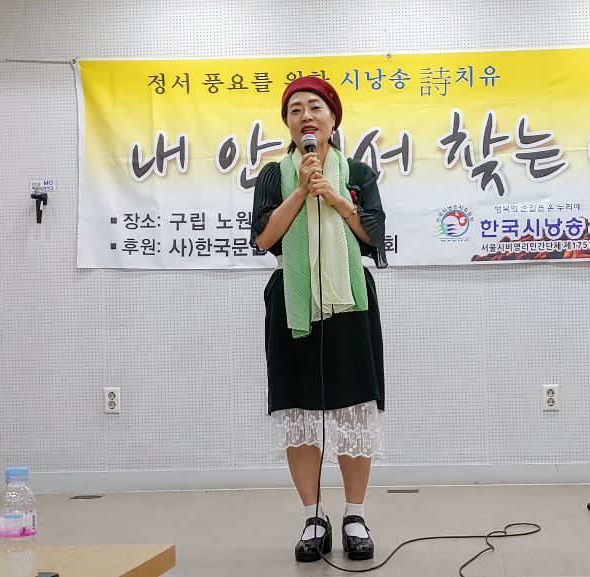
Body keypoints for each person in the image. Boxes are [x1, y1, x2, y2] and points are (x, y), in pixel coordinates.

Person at [250, 76, 387, 563]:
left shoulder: (359, 173)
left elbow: (374, 237)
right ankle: (313, 516)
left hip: (350, 301)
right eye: (295, 110)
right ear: (288, 124)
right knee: (299, 410)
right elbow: (263, 239)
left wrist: (335, 196)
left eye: (315, 107)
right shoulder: (273, 174)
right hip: (293, 300)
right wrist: (301, 192)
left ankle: (355, 515)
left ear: (332, 118)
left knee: (354, 408)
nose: (305, 116)